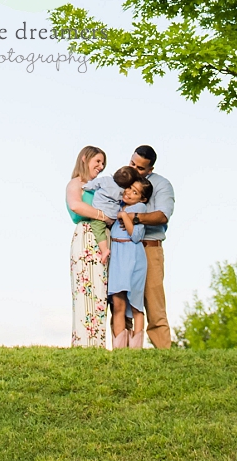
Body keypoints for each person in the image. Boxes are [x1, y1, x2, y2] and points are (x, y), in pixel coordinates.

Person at [125, 145, 175, 349]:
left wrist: (134, 218)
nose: (135, 170)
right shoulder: (122, 180)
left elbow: (162, 215)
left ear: (150, 170)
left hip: (149, 247)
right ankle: (124, 351)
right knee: (123, 299)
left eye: (141, 168)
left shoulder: (162, 185)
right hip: (125, 248)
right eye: (132, 164)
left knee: (154, 302)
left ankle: (164, 351)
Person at [64, 146, 113, 348]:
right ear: (85, 158)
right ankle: (84, 343)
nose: (100, 167)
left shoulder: (100, 187)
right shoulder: (76, 184)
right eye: (98, 162)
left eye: (103, 164)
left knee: (100, 291)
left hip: (103, 238)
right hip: (86, 236)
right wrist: (102, 216)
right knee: (84, 290)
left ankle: (98, 343)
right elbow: (76, 205)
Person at [102, 167, 155, 348]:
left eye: (135, 192)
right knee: (117, 303)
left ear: (143, 198)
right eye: (129, 189)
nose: (129, 193)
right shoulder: (120, 203)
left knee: (135, 303)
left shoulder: (139, 209)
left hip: (132, 256)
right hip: (117, 254)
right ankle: (119, 348)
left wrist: (125, 216)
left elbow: (136, 236)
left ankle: (135, 348)